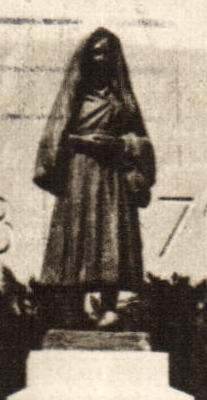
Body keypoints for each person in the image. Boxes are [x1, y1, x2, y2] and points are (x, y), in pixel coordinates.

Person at [33, 28, 156, 328]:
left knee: (111, 235)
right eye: (96, 52)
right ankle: (74, 309)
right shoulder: (75, 97)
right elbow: (55, 138)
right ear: (87, 58)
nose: (102, 58)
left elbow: (143, 141)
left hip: (113, 174)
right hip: (80, 173)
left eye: (108, 52)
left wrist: (122, 145)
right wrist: (79, 144)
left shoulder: (124, 101)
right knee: (78, 234)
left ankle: (110, 306)